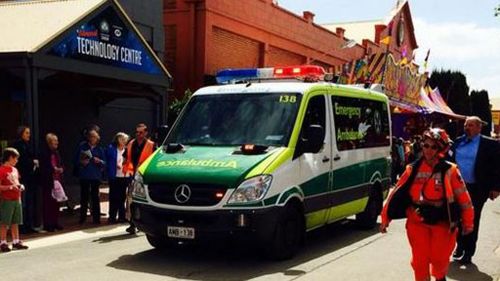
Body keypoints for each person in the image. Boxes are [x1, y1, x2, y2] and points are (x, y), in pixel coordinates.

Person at [380, 128, 474, 281]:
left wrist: (468, 223)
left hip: (442, 221)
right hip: (417, 221)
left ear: (441, 149)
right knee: (420, 260)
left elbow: (464, 199)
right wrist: (385, 218)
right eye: (426, 145)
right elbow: (395, 194)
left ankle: (439, 277)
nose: (428, 150)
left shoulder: (450, 170)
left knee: (440, 258)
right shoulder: (412, 169)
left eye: (433, 146)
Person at [447, 116, 500, 264]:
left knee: (471, 218)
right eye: (465, 125)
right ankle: (459, 246)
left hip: (477, 188)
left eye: (470, 125)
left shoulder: (490, 144)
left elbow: (497, 167)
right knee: (456, 217)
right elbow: (448, 159)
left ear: (478, 128)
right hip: (456, 188)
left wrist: (496, 187)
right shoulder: (458, 142)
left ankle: (469, 251)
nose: (467, 128)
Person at [123, 123, 155, 234]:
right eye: (137, 132)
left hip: (145, 177)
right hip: (133, 176)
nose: (138, 134)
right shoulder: (131, 143)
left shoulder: (151, 145)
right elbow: (125, 157)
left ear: (146, 132)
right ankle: (132, 224)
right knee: (131, 200)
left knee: (142, 201)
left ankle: (144, 223)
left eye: (141, 132)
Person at [11, 126, 39, 234]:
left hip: (29, 177)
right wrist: (32, 162)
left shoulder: (27, 145)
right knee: (23, 202)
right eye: (27, 133)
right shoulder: (18, 145)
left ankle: (28, 224)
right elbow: (21, 161)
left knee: (29, 202)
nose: (29, 135)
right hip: (23, 177)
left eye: (29, 133)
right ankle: (22, 226)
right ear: (21, 133)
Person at [74, 129, 105, 225]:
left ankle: (96, 219)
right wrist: (82, 162)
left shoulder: (100, 149)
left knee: (95, 197)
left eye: (95, 137)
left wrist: (99, 161)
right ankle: (82, 218)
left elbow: (105, 163)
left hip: (95, 176)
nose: (93, 139)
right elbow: (75, 160)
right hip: (85, 175)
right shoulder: (82, 147)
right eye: (91, 136)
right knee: (84, 197)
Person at [0, 148, 29, 252]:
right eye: (15, 158)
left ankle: (16, 241)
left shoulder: (15, 170)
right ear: (10, 158)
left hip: (17, 198)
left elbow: (17, 181)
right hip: (6, 199)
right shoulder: (1, 170)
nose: (17, 161)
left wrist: (21, 186)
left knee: (15, 221)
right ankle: (2, 242)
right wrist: (10, 187)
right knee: (4, 222)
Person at [40, 133, 64, 232]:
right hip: (48, 181)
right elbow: (44, 167)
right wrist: (53, 169)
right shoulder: (44, 153)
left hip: (57, 180)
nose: (57, 142)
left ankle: (55, 222)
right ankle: (48, 224)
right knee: (48, 203)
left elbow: (61, 163)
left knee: (56, 202)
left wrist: (61, 169)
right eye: (55, 141)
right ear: (49, 142)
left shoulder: (56, 153)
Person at [105, 132, 130, 224]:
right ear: (117, 139)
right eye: (122, 139)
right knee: (113, 196)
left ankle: (122, 216)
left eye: (125, 140)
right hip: (115, 176)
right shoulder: (111, 149)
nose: (124, 141)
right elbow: (107, 161)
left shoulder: (127, 150)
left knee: (122, 197)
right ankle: (112, 217)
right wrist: (114, 166)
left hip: (125, 176)